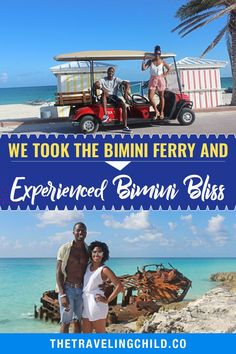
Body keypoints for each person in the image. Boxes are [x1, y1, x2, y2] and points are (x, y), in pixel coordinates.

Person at [82, 241, 123, 333]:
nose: (97, 254)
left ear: (103, 254)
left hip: (97, 305)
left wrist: (107, 300)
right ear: (91, 253)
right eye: (94, 252)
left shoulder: (104, 269)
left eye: (100, 252)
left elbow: (119, 286)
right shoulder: (88, 266)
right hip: (85, 304)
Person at [56, 222, 89, 333]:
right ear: (73, 232)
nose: (81, 232)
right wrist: (62, 294)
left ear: (86, 233)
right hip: (68, 288)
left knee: (77, 321)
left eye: (83, 230)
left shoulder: (88, 250)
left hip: (81, 289)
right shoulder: (65, 248)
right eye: (78, 230)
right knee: (65, 321)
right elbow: (59, 272)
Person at [95, 67, 131, 132]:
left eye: (112, 71)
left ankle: (125, 126)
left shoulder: (116, 79)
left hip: (114, 97)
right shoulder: (103, 79)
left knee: (123, 105)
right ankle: (106, 115)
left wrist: (125, 93)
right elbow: (96, 84)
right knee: (104, 93)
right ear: (107, 72)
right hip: (105, 97)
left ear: (114, 73)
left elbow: (127, 83)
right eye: (109, 71)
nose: (111, 73)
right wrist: (103, 89)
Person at [142, 45, 170, 119]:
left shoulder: (163, 61)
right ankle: (156, 111)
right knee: (150, 97)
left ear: (160, 54)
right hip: (153, 79)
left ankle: (161, 112)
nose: (157, 55)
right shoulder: (150, 61)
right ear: (154, 53)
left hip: (160, 79)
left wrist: (164, 75)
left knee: (161, 96)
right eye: (156, 53)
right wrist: (143, 60)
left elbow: (169, 69)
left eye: (159, 54)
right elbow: (143, 69)